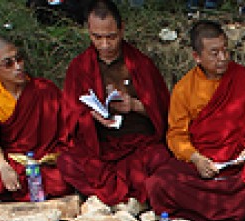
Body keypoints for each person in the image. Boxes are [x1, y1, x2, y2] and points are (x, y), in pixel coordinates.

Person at [146, 21, 245, 221]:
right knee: (159, 183)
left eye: (225, 51)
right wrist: (196, 159)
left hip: (240, 164)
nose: (223, 58)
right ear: (197, 57)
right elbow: (176, 135)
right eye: (214, 53)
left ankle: (212, 213)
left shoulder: (244, 80)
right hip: (204, 165)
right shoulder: (184, 89)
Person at [59, 0, 170, 207]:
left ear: (122, 29)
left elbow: (163, 112)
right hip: (101, 146)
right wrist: (92, 116)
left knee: (161, 159)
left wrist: (134, 105)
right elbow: (70, 115)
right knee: (67, 162)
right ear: (88, 32)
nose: (105, 45)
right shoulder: (80, 66)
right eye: (97, 37)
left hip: (138, 144)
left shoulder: (141, 64)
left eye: (111, 37)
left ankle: (118, 196)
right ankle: (135, 196)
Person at [0, 34, 69, 200]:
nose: (18, 67)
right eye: (8, 63)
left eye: (19, 59)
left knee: (70, 169)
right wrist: (3, 167)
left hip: (45, 158)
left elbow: (66, 132)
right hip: (14, 159)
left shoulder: (44, 89)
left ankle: (16, 190)